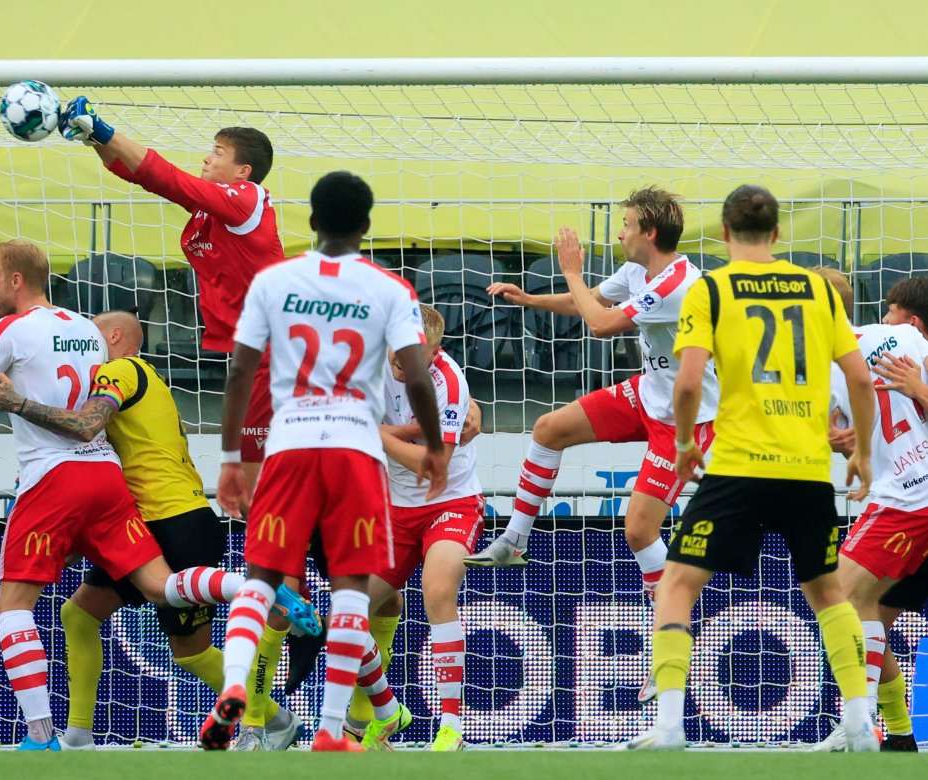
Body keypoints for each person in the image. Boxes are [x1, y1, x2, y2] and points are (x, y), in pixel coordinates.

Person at [0, 239, 309, 750]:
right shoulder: (85, 332)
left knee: (16, 605)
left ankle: (41, 737)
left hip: (105, 493)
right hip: (114, 485)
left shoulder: (110, 365)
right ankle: (80, 734)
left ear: (16, 280)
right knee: (95, 608)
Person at [59, 100, 300, 748]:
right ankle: (275, 630)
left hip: (270, 358)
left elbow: (163, 175)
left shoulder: (246, 202)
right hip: (245, 359)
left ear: (241, 168)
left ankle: (283, 611)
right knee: (249, 505)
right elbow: (144, 175)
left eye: (216, 153)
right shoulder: (212, 210)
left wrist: (106, 127)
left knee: (256, 507)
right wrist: (91, 141)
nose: (206, 160)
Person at [201, 170, 449, 752]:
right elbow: (416, 374)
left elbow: (239, 369)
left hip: (288, 443)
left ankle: (236, 688)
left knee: (261, 578)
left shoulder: (274, 280)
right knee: (351, 589)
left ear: (310, 221)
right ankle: (333, 729)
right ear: (365, 226)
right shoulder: (390, 289)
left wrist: (233, 456)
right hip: (354, 447)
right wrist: (435, 446)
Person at [624, 185, 877, 750]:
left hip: (738, 465)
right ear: (779, 234)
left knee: (677, 586)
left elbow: (688, 382)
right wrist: (860, 450)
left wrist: (687, 442)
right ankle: (859, 722)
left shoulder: (710, 288)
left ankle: (668, 726)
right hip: (808, 468)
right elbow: (859, 378)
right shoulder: (818, 289)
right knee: (828, 592)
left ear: (722, 231)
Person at [467, 185, 719, 701]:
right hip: (648, 395)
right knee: (548, 431)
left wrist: (572, 270)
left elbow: (601, 323)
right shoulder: (636, 273)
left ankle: (671, 644)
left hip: (688, 421)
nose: (620, 231)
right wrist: (531, 297)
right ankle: (514, 540)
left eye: (626, 223)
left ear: (649, 232)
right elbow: (593, 300)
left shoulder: (679, 283)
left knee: (639, 530)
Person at [350, 303, 483, 752]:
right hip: (394, 510)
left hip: (451, 501)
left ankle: (451, 728)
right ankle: (388, 712)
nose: (399, 367)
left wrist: (381, 435)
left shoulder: (449, 381)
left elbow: (436, 467)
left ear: (434, 352)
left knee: (438, 588)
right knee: (344, 617)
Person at [811, 273, 928, 752]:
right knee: (868, 611)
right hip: (897, 494)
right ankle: (896, 734)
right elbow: (864, 431)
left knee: (839, 596)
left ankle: (857, 723)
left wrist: (920, 387)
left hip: (910, 498)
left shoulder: (892, 338)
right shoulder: (891, 339)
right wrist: (847, 442)